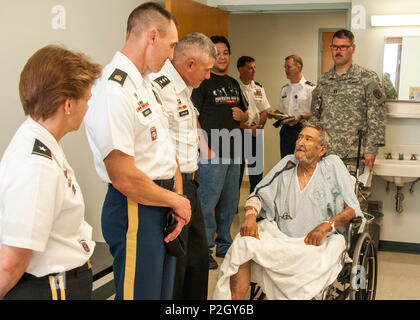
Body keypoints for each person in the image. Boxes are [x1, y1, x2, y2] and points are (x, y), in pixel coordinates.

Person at [84, 2, 191, 300]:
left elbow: (163, 148)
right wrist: (175, 200)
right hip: (136, 208)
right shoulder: (114, 88)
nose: (172, 55)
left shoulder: (145, 85)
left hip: (162, 203)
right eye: (171, 46)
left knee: (160, 295)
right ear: (152, 36)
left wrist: (177, 196)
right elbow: (123, 175)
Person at [213, 120, 363, 300]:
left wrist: (327, 225)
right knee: (243, 242)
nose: (300, 142)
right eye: (300, 137)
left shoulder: (332, 166)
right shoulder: (287, 164)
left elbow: (352, 209)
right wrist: (251, 216)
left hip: (318, 242)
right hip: (281, 236)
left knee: (314, 260)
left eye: (308, 139)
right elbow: (258, 194)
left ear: (321, 150)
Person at [0, 45, 102, 300]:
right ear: (68, 104)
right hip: (51, 289)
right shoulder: (36, 165)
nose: (88, 108)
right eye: (87, 100)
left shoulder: (42, 142)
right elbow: (11, 263)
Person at [148, 32, 217, 300]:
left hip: (189, 184)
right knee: (176, 262)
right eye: (207, 70)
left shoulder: (184, 91)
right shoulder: (160, 89)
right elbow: (161, 147)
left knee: (197, 259)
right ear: (189, 64)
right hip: (171, 187)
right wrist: (177, 195)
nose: (208, 76)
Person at [191, 35, 248, 269]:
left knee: (230, 201)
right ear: (209, 56)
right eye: (217, 52)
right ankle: (204, 249)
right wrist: (204, 149)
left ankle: (225, 243)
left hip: (234, 151)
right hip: (212, 153)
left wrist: (243, 116)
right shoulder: (202, 82)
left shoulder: (234, 83)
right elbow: (193, 117)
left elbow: (246, 116)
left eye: (225, 52)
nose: (222, 57)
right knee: (207, 202)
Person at [311, 29, 386, 174]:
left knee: (353, 196)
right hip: (325, 154)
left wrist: (371, 149)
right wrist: (313, 145)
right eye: (334, 47)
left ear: (353, 48)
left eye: (343, 47)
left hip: (354, 156)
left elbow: (377, 116)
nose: (338, 51)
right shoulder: (324, 80)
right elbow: (315, 115)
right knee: (324, 196)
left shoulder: (367, 78)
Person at [268, 55, 314, 158]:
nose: (286, 70)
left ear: (298, 67)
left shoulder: (310, 89)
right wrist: (272, 114)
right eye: (285, 67)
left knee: (302, 162)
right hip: (286, 130)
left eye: (288, 67)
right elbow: (279, 112)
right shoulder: (285, 89)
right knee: (286, 162)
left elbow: (315, 113)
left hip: (303, 130)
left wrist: (300, 117)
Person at [237, 56, 270, 194]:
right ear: (240, 69)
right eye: (250, 68)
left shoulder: (258, 87)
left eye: (254, 67)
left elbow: (264, 110)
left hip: (256, 132)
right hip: (238, 133)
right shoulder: (234, 87)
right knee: (236, 172)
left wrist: (259, 127)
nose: (253, 70)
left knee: (256, 172)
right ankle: (233, 208)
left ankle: (254, 203)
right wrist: (247, 128)